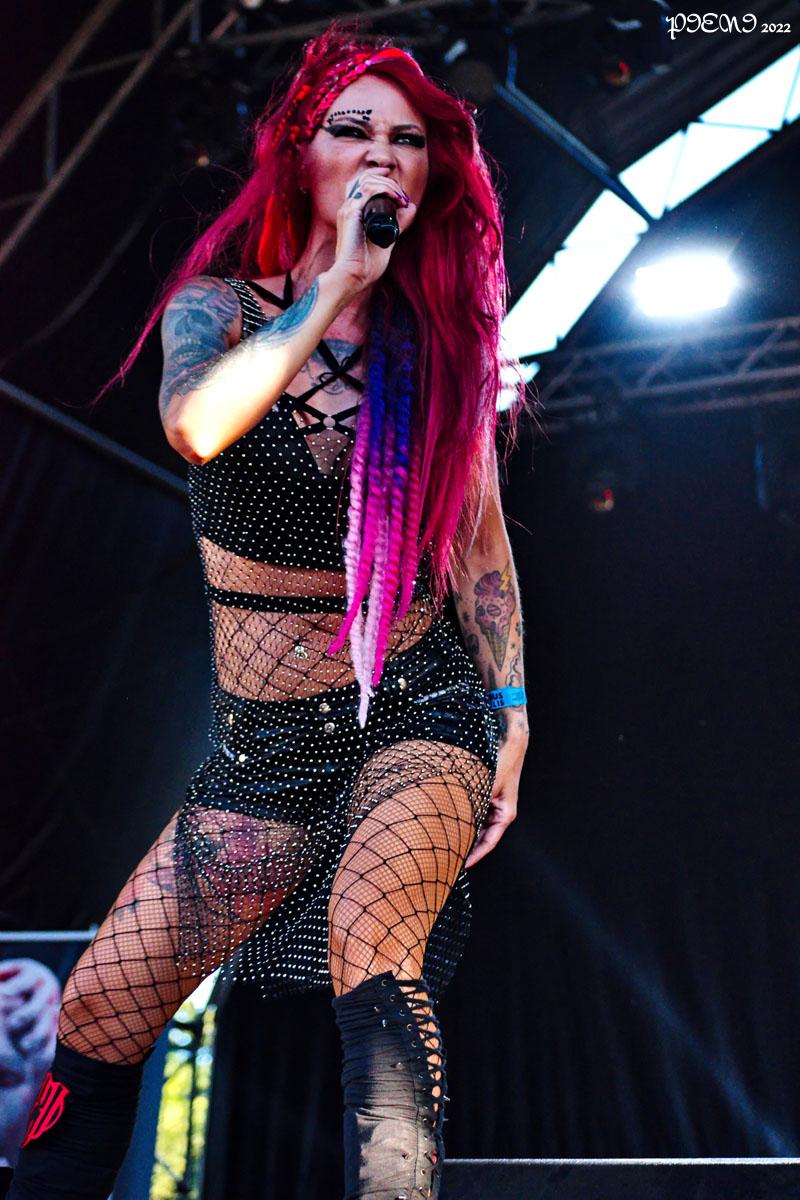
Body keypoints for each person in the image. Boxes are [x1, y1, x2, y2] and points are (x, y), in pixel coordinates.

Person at [8, 17, 532, 1199]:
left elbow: (478, 540)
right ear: (302, 159)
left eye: (408, 139)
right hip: (263, 748)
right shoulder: (219, 311)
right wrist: (337, 283)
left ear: (430, 175)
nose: (382, 154)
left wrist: (509, 707)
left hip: (417, 707)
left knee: (372, 951)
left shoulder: (440, 351)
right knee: (96, 1014)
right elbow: (197, 426)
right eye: (354, 131)